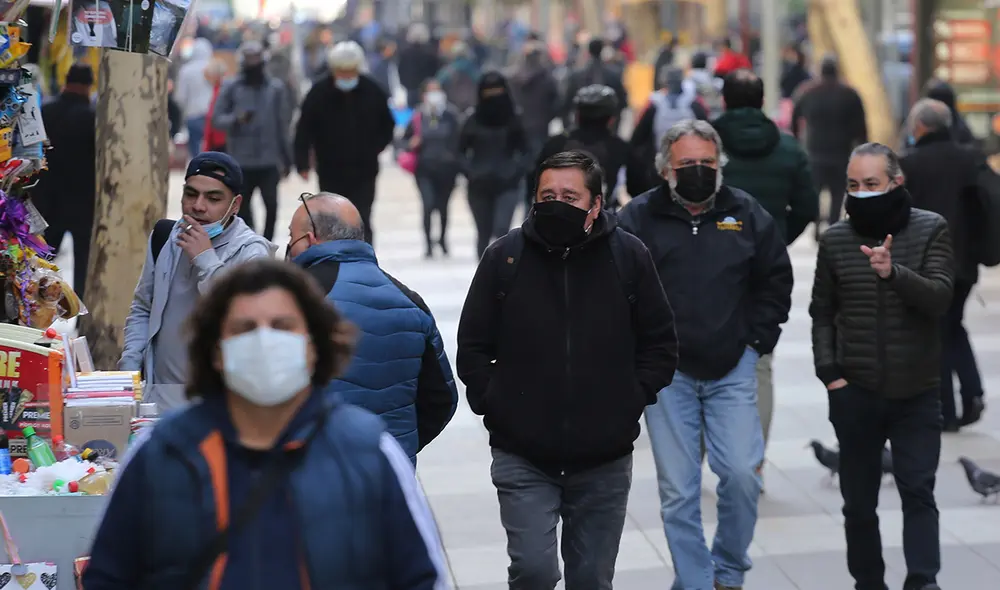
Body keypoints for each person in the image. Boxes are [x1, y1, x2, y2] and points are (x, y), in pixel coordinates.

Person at [87, 260, 450, 589]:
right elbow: (108, 577)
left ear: (312, 345)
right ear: (216, 351)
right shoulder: (160, 454)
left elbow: (422, 578)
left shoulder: (368, 452)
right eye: (245, 329)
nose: (264, 340)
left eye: (282, 327)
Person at [457, 150, 678, 590]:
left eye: (570, 196)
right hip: (523, 454)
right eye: (547, 195)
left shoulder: (628, 256)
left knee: (592, 579)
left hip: (603, 458)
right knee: (534, 570)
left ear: (596, 204)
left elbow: (660, 343)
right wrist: (495, 403)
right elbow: (474, 345)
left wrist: (629, 401)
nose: (556, 203)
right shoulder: (506, 257)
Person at [618, 120, 793, 590]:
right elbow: (615, 288)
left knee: (741, 476)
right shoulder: (637, 218)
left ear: (721, 166)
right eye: (687, 164)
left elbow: (775, 280)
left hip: (732, 367)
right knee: (678, 491)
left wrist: (757, 342)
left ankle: (728, 567)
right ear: (665, 169)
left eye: (707, 163)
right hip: (667, 374)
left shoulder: (747, 213)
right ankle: (696, 581)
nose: (698, 171)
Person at [810, 142, 952, 590]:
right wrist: (831, 376)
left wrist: (894, 274)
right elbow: (822, 312)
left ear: (896, 182)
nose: (862, 193)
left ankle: (923, 580)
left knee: (918, 491)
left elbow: (940, 297)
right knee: (858, 504)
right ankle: (868, 582)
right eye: (854, 185)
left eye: (872, 184)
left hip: (917, 391)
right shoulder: (835, 240)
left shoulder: (931, 229)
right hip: (856, 392)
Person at [287, 192, 458, 463]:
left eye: (291, 237)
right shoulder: (409, 300)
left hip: (313, 469)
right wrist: (400, 446)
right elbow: (442, 399)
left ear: (310, 239)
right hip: (389, 471)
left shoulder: (294, 299)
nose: (288, 246)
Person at [712, 69, 819, 472]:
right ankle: (753, 460)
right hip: (765, 266)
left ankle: (706, 446)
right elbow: (807, 206)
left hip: (707, 262)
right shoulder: (789, 148)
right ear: (760, 102)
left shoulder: (704, 146)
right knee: (759, 361)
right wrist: (776, 239)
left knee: (698, 355)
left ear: (725, 101)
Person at [118, 152, 276, 411]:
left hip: (217, 402)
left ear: (235, 205)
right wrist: (130, 369)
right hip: (157, 396)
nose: (198, 206)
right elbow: (143, 308)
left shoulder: (252, 252)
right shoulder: (165, 236)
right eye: (191, 194)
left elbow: (246, 319)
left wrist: (206, 260)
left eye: (213, 198)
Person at [899, 99, 985, 431]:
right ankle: (972, 391)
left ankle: (947, 410)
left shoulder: (910, 165)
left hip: (928, 264)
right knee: (952, 325)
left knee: (937, 332)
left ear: (919, 127)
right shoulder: (971, 159)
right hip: (965, 262)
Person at [295, 41, 395, 245]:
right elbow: (304, 129)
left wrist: (376, 147)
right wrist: (302, 163)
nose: (346, 77)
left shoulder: (373, 90)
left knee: (362, 217)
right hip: (330, 168)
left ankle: (364, 257)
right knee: (333, 217)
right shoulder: (319, 93)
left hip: (364, 169)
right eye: (342, 72)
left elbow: (388, 124)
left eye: (351, 72)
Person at [212, 40, 293, 241]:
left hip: (268, 160)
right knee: (243, 208)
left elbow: (282, 124)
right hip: (241, 161)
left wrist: (287, 157)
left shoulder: (275, 89)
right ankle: (250, 245)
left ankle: (267, 243)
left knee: (272, 206)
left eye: (256, 60)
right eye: (249, 61)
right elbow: (216, 119)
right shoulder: (232, 87)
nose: (253, 65)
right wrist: (236, 119)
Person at [528, 84, 646, 212]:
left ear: (577, 115)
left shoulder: (556, 143)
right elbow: (638, 187)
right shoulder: (620, 148)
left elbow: (533, 180)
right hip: (602, 217)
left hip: (555, 214)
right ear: (611, 119)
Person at [36, 63, 96, 299]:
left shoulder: (45, 111)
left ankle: (36, 313)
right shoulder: (93, 118)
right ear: (88, 86)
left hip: (47, 202)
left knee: (42, 265)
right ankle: (81, 314)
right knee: (84, 265)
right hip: (83, 203)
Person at [792, 56, 868, 236]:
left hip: (815, 152)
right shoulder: (849, 94)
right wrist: (862, 149)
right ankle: (833, 226)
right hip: (841, 152)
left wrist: (797, 140)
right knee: (837, 194)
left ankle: (817, 224)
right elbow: (861, 126)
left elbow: (795, 118)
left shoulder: (807, 92)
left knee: (816, 191)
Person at [458, 71, 529, 258]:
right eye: (489, 92)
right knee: (483, 232)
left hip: (507, 183)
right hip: (479, 184)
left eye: (497, 90)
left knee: (502, 229)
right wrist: (469, 171)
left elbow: (526, 150)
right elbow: (459, 151)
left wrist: (516, 170)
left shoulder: (514, 119)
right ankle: (483, 276)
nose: (493, 96)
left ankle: (503, 275)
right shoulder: (472, 120)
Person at [403, 79, 463, 257]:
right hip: (424, 169)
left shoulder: (451, 115)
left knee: (443, 206)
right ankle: (428, 243)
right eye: (430, 91)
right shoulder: (418, 116)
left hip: (447, 169)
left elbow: (460, 141)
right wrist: (410, 144)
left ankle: (443, 239)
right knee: (428, 205)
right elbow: (403, 140)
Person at [561, 39, 628, 131]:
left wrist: (568, 128)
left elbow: (566, 105)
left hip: (583, 130)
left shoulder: (576, 76)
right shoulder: (613, 75)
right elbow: (622, 102)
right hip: (606, 128)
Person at [174, 38, 216, 158]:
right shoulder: (214, 67)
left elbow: (180, 97)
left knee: (196, 151)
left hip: (193, 115)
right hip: (212, 115)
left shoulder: (186, 70)